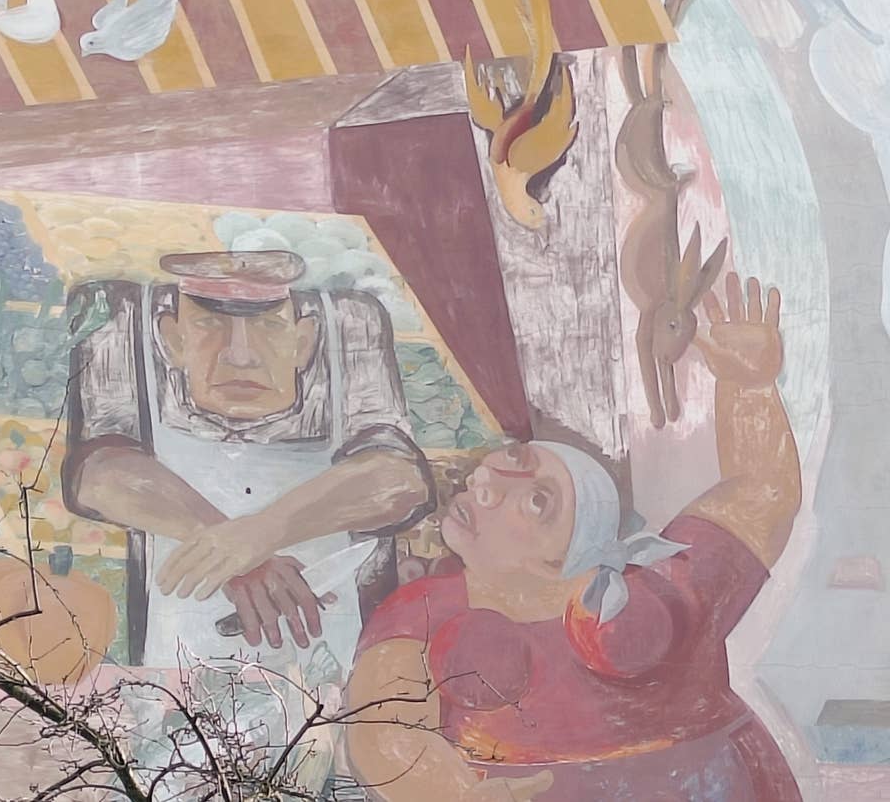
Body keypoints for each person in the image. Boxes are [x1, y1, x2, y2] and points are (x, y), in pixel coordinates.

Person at [344, 273, 803, 801]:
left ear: (565, 553)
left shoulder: (667, 585)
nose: (486, 482)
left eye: (537, 500)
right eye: (510, 460)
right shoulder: (423, 610)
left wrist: (749, 386)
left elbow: (763, 494)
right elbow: (384, 731)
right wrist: (455, 794)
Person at [63, 250, 435, 669]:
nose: (240, 355)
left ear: (304, 340)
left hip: (339, 664)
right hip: (178, 662)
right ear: (172, 339)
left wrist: (262, 533)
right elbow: (98, 475)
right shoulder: (119, 315)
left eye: (269, 326)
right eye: (209, 324)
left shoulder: (351, 324)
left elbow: (400, 479)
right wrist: (228, 549)